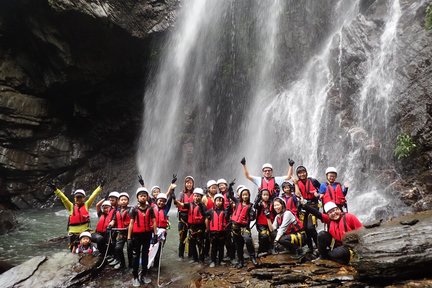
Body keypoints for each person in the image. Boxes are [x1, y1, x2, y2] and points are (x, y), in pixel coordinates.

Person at [48, 180, 104, 252]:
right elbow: (63, 198)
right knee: (73, 251)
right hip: (73, 234)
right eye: (77, 197)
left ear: (84, 198)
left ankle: (101, 254)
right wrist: (55, 189)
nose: (78, 199)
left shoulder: (86, 205)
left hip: (85, 232)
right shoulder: (70, 206)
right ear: (74, 198)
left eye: (80, 197)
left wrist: (100, 187)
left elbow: (93, 196)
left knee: (100, 239)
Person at [128, 187, 157, 286]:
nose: (143, 197)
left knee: (145, 255)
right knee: (136, 256)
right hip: (136, 235)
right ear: (137, 198)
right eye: (141, 196)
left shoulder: (150, 209)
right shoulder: (134, 209)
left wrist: (155, 234)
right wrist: (129, 238)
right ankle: (135, 276)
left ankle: (144, 274)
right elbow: (131, 224)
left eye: (145, 196)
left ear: (147, 197)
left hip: (147, 235)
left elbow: (154, 222)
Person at [174, 188, 207, 264]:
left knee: (200, 244)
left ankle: (201, 260)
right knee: (192, 244)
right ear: (193, 196)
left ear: (201, 197)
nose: (196, 197)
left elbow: (205, 218)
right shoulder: (190, 204)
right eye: (195, 196)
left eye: (198, 196)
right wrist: (175, 199)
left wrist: (206, 229)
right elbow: (181, 204)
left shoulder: (203, 207)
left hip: (200, 227)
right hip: (192, 227)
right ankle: (195, 259)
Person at [292, 165, 320, 251]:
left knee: (311, 227)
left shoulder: (313, 181)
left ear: (306, 172)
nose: (302, 174)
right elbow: (297, 195)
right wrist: (296, 184)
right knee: (305, 228)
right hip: (303, 207)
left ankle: (318, 246)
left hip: (313, 206)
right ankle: (310, 247)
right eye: (299, 173)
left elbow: (322, 190)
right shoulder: (296, 184)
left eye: (303, 172)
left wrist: (317, 194)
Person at [230, 186, 257, 268]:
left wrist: (253, 214)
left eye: (246, 195)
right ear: (241, 196)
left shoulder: (251, 206)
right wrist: (230, 187)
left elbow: (253, 218)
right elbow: (230, 195)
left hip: (245, 227)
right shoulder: (237, 202)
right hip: (235, 227)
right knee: (239, 245)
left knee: (248, 241)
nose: (245, 196)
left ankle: (253, 257)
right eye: (243, 195)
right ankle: (240, 261)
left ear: (249, 196)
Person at [205, 193, 231, 267]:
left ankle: (220, 260)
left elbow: (228, 217)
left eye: (220, 201)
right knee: (214, 248)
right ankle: (213, 260)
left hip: (222, 232)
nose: (219, 202)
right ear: (215, 201)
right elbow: (206, 218)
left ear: (222, 202)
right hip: (213, 232)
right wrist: (208, 229)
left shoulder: (225, 211)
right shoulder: (211, 211)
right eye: (217, 200)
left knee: (221, 247)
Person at [176, 176, 195, 260]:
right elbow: (177, 203)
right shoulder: (181, 194)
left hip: (192, 218)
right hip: (183, 218)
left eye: (190, 183)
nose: (189, 184)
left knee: (192, 238)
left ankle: (191, 256)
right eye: (187, 183)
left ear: (192, 184)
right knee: (182, 238)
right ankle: (181, 256)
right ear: (185, 184)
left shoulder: (195, 194)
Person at [113, 192, 132, 269]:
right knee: (118, 248)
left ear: (128, 201)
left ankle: (131, 265)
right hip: (120, 232)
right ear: (119, 201)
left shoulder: (131, 210)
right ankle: (122, 263)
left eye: (125, 200)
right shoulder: (117, 211)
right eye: (122, 200)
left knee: (130, 249)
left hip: (129, 233)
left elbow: (133, 220)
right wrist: (111, 224)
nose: (123, 201)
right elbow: (114, 220)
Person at [253, 189, 274, 255]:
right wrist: (258, 198)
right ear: (261, 196)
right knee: (263, 236)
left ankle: (269, 249)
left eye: (267, 195)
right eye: (264, 195)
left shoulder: (271, 203)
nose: (266, 196)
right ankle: (261, 250)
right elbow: (255, 206)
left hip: (270, 222)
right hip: (261, 223)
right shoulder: (259, 203)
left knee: (271, 236)